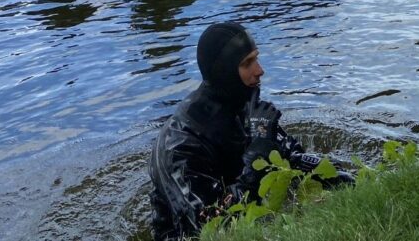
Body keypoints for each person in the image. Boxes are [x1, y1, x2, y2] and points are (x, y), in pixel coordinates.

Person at [147, 22, 350, 240]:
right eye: (247, 63)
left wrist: (337, 176)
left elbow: (289, 157)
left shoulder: (243, 106)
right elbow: (210, 227)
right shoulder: (179, 144)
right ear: (225, 71)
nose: (259, 70)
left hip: (244, 212)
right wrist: (256, 159)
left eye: (256, 58)